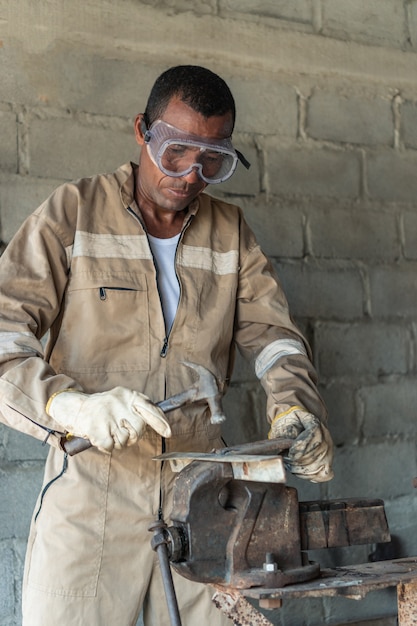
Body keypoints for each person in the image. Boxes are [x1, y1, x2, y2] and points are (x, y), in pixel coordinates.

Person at [0, 65, 333, 626]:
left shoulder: (231, 233)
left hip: (203, 493)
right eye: (176, 151)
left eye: (212, 161)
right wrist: (71, 407)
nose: (189, 175)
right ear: (142, 130)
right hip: (91, 494)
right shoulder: (73, 213)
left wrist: (295, 405)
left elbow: (275, 338)